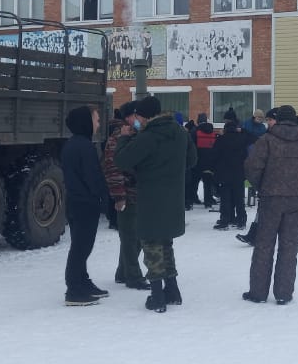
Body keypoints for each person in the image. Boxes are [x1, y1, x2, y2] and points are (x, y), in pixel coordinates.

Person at [113, 95, 198, 313]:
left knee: (151, 245)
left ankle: (158, 296)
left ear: (144, 116)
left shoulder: (148, 137)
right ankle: (173, 290)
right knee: (166, 243)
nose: (137, 120)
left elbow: (122, 160)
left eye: (138, 116)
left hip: (150, 199)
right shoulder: (180, 132)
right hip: (173, 198)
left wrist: (124, 138)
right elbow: (192, 160)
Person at [242, 104, 298, 304]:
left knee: (264, 245)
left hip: (270, 198)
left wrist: (262, 186)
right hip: (295, 200)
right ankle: (284, 293)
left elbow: (252, 167)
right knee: (289, 246)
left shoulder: (267, 140)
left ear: (278, 119)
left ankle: (258, 292)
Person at [60, 105, 111, 306]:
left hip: (75, 202)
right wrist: (104, 197)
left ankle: (83, 282)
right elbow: (93, 177)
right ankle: (74, 290)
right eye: (96, 120)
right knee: (81, 249)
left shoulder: (72, 144)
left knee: (80, 246)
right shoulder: (85, 147)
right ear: (86, 122)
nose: (98, 124)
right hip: (85, 204)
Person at [101, 101, 150, 291]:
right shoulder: (117, 138)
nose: (139, 119)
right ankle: (133, 276)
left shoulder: (136, 135)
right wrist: (119, 196)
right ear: (129, 117)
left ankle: (123, 272)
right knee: (130, 237)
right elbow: (112, 168)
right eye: (137, 115)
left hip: (138, 193)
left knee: (136, 237)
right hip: (126, 193)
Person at [211, 118, 251, 230]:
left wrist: (214, 170)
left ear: (225, 129)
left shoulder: (221, 139)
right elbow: (246, 155)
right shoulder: (242, 139)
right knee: (239, 198)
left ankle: (225, 220)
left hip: (224, 173)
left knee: (225, 198)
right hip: (239, 173)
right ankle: (241, 220)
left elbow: (214, 155)